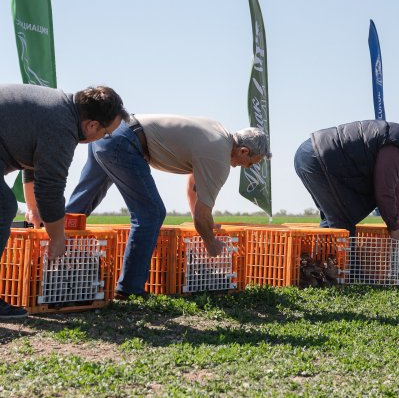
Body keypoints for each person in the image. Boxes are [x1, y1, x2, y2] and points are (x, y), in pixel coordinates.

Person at [68, 115, 271, 298]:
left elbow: (193, 186)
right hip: (126, 142)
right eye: (251, 162)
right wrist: (211, 243)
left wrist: (198, 220)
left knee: (76, 209)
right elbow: (203, 214)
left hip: (109, 132)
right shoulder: (218, 157)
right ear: (244, 151)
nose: (248, 167)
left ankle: (46, 267)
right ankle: (130, 289)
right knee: (152, 213)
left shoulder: (218, 133)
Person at [1, 84, 126, 318]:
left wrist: (33, 209)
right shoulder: (62, 127)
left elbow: (34, 165)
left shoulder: (60, 108)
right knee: (3, 207)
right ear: (92, 126)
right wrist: (58, 239)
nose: (103, 138)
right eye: (106, 133)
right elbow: (50, 187)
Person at [293, 120, 399, 238]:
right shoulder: (394, 146)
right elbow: (384, 190)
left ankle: (318, 265)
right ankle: (348, 272)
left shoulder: (395, 140)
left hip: (310, 154)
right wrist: (394, 228)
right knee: (343, 222)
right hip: (318, 159)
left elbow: (393, 185)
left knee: (332, 220)